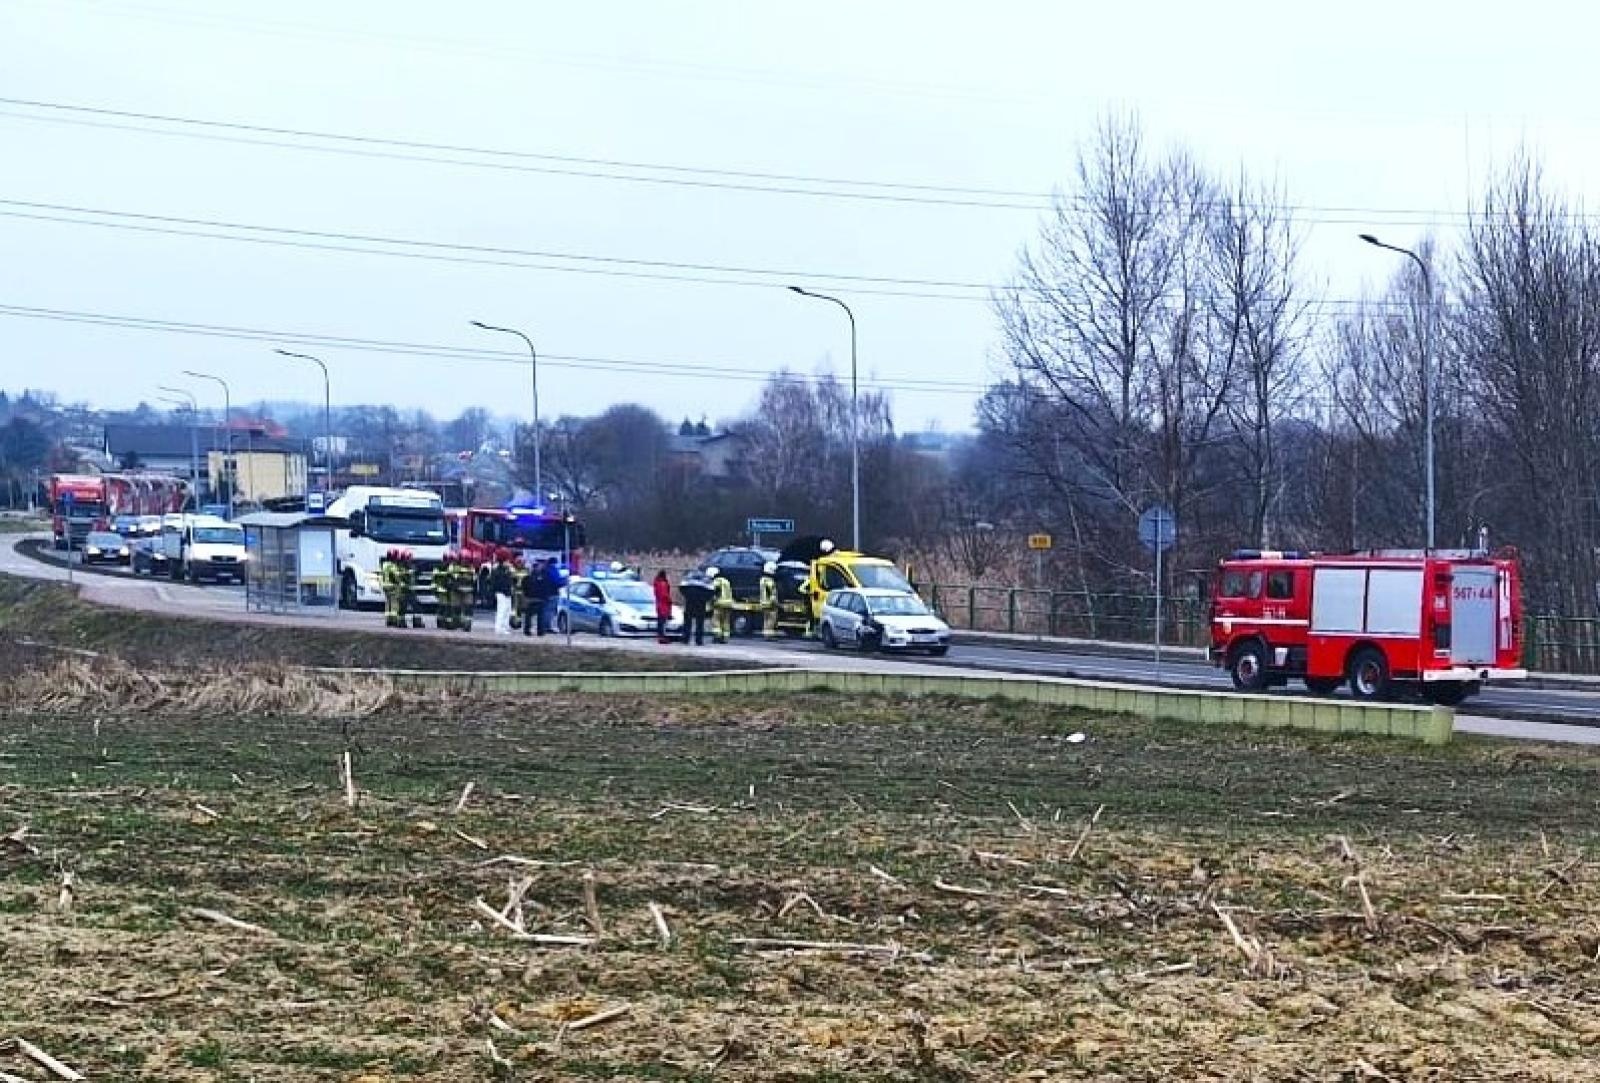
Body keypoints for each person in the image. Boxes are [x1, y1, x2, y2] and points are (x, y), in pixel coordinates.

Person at [680, 571, 712, 646]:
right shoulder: (705, 581)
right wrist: (704, 599)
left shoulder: (688, 580)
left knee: (687, 622)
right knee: (700, 623)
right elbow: (711, 591)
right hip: (701, 604)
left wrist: (688, 597)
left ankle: (685, 639)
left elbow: (681, 588)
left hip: (689, 603)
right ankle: (699, 641)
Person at [522, 558, 550, 637]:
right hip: (539, 599)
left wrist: (526, 596)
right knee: (540, 616)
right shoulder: (544, 577)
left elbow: (524, 587)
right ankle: (540, 631)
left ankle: (527, 630)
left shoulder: (527, 577)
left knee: (529, 616)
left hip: (530, 599)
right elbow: (546, 587)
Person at [490, 552, 515, 636]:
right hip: (501, 592)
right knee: (502, 610)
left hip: (507, 592)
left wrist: (509, 571)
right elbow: (498, 581)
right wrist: (508, 572)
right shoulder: (497, 569)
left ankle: (505, 627)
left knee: (507, 610)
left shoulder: (507, 569)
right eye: (507, 560)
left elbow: (511, 580)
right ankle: (499, 628)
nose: (508, 562)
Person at [710, 566, 734, 644]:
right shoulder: (726, 581)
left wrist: (711, 601)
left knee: (716, 620)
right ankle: (725, 637)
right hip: (728, 603)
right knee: (726, 621)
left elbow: (714, 592)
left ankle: (717, 636)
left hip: (719, 603)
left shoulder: (716, 581)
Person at [652, 569, 674, 643]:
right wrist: (669, 600)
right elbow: (664, 595)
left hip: (659, 604)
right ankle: (662, 637)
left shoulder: (657, 583)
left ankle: (660, 636)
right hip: (664, 605)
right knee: (663, 621)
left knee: (660, 621)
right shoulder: (663, 584)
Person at [759, 561, 779, 639]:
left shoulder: (762, 580)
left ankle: (766, 634)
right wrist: (777, 604)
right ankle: (769, 635)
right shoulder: (770, 582)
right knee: (771, 619)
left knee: (766, 619)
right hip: (770, 603)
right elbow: (772, 594)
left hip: (763, 602)